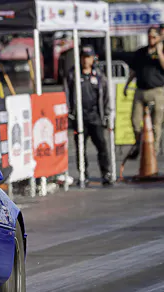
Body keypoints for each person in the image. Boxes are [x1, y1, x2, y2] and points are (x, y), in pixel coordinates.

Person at [65, 45, 111, 186]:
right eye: (84, 57)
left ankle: (106, 173)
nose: (86, 61)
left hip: (95, 116)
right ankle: (83, 174)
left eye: (88, 57)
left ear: (93, 59)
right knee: (80, 148)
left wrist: (106, 113)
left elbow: (105, 95)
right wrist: (70, 112)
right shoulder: (73, 74)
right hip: (79, 118)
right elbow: (67, 93)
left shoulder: (98, 75)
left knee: (102, 145)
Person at [126, 27, 164, 157]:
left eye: (154, 37)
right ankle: (138, 144)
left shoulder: (162, 51)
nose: (151, 39)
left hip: (157, 90)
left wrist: (159, 53)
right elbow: (134, 70)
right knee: (135, 120)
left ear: (159, 38)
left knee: (156, 123)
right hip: (141, 90)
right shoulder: (141, 52)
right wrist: (127, 85)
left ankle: (154, 151)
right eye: (149, 37)